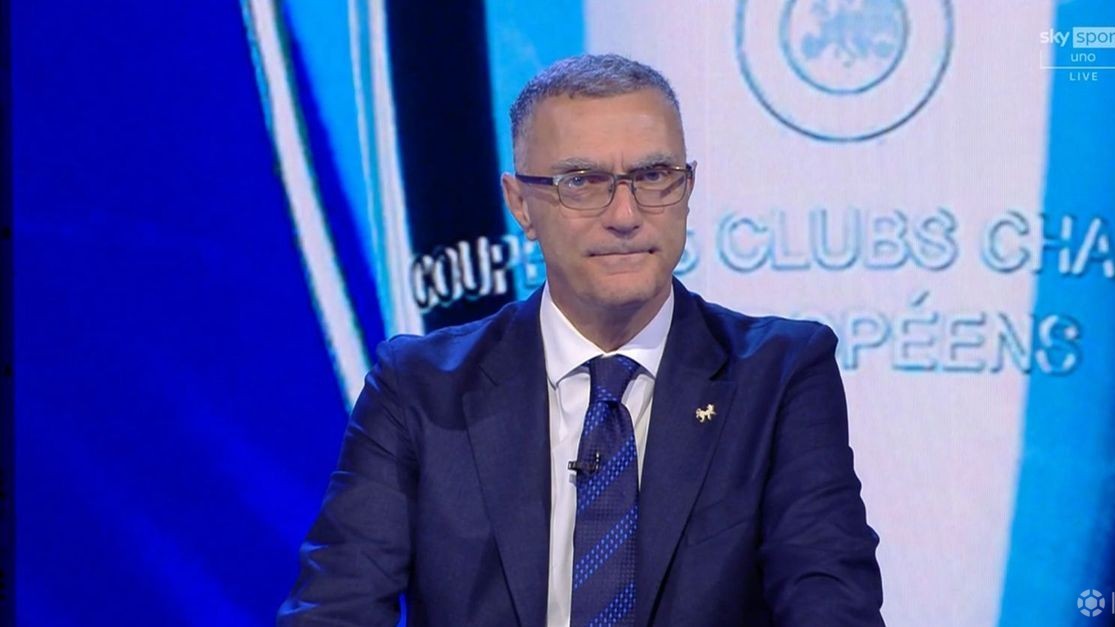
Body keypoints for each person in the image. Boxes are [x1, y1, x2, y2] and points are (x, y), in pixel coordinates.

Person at [279, 54, 884, 626]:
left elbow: (830, 604)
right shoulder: (419, 387)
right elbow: (337, 607)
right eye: (582, 182)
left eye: (653, 176)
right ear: (521, 204)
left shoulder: (779, 377)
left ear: (688, 187)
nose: (625, 215)